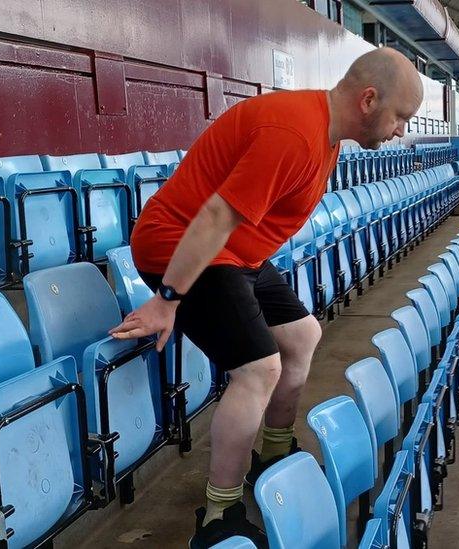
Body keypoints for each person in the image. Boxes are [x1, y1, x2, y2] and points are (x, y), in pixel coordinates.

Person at [109, 47, 424, 547]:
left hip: (235, 253)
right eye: (401, 117)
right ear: (369, 100)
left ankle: (273, 455)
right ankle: (219, 512)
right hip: (183, 246)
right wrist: (168, 298)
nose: (402, 131)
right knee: (258, 369)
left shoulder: (326, 134)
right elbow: (213, 219)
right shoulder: (294, 133)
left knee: (302, 335)